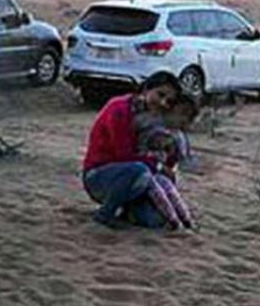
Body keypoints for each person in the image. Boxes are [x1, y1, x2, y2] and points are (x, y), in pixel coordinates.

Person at [81, 72, 183, 229]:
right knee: (138, 170)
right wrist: (159, 166)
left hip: (137, 178)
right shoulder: (119, 108)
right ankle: (105, 214)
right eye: (160, 95)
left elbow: (168, 162)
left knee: (154, 221)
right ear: (146, 89)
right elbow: (124, 155)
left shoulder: (157, 120)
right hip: (99, 176)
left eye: (168, 101)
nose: (163, 102)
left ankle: (127, 210)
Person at [134, 93, 199, 229]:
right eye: (182, 114)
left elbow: (175, 164)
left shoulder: (178, 137)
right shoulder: (148, 126)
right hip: (141, 178)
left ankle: (185, 220)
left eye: (188, 118)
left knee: (168, 189)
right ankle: (175, 222)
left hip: (158, 178)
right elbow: (137, 154)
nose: (183, 121)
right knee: (153, 210)